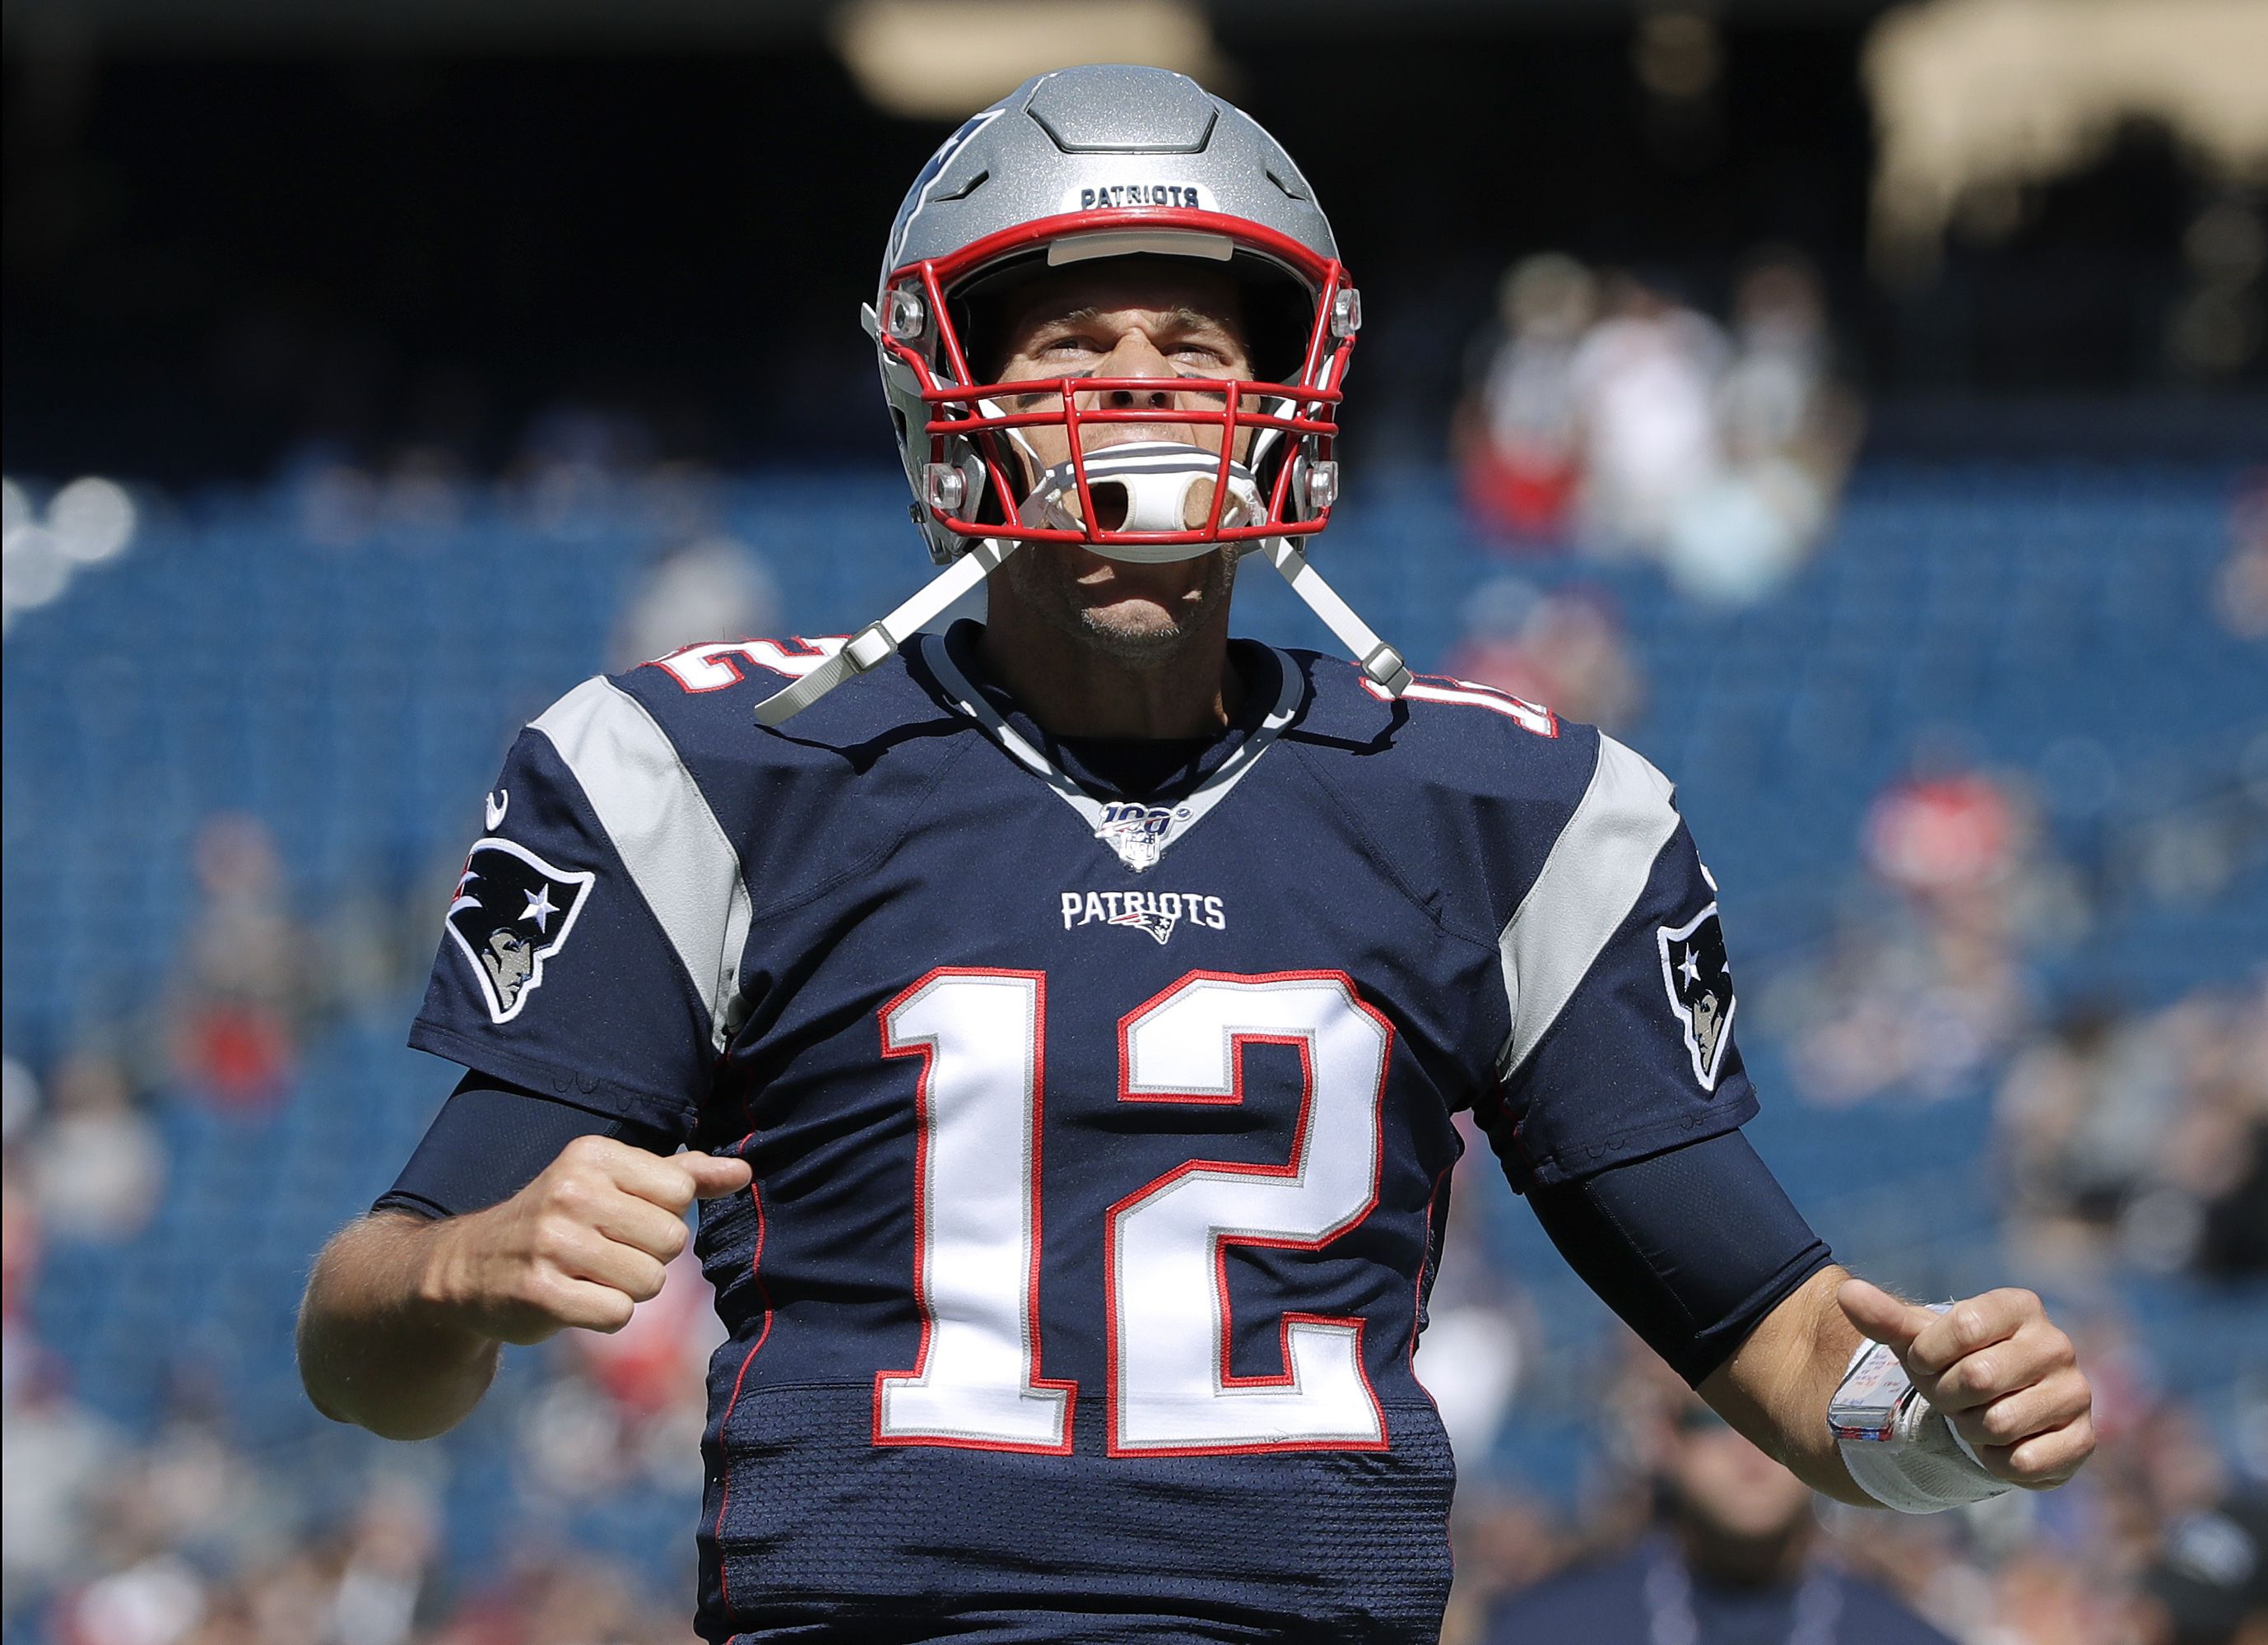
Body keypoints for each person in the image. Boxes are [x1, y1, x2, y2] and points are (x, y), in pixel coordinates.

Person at [296, 65, 2095, 1643]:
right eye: (1071, 339)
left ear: (1291, 387)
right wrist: (463, 1271)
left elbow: (1789, 1358)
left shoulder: (1495, 810)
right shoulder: (718, 771)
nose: (1135, 392)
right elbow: (359, 1347)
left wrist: (1928, 1431)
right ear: (948, 382)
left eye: (1189, 341)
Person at [1485, 1398, 1955, 1645]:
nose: (1747, 1444)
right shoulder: (1545, 1631)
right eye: (1714, 1416)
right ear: (1664, 1438)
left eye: (1776, 1418)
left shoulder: (1909, 1636)